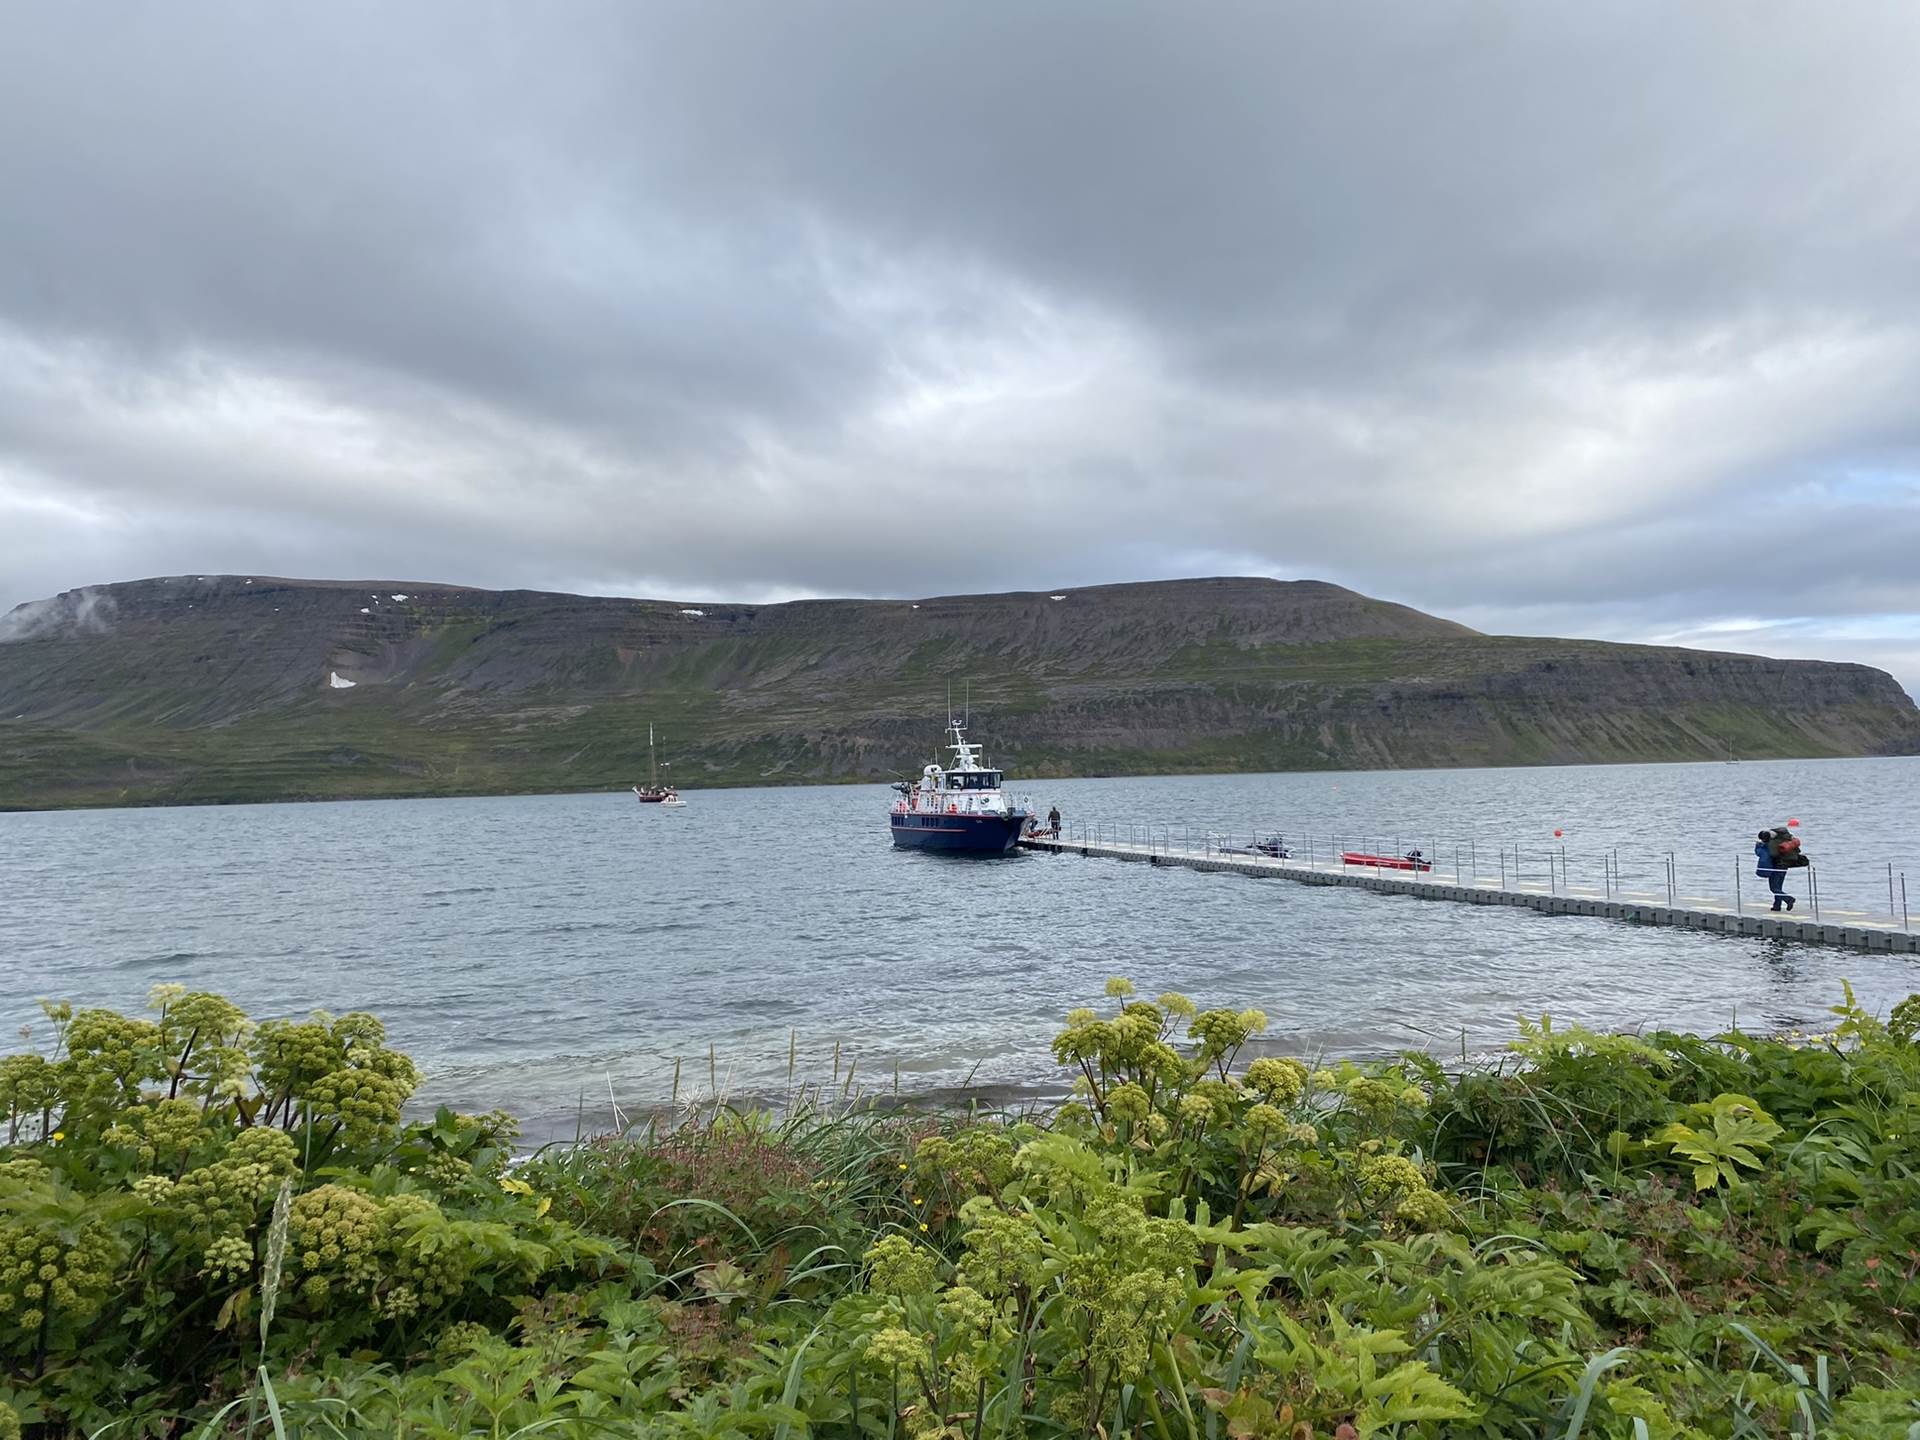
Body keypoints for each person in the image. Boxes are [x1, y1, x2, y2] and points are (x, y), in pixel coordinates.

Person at [1755, 829, 1794, 912]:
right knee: (1778, 887)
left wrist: (1758, 846)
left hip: (1775, 868)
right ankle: (1777, 906)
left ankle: (1788, 899)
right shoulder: (1780, 843)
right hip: (1784, 867)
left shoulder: (1768, 845)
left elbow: (1761, 853)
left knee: (1773, 888)